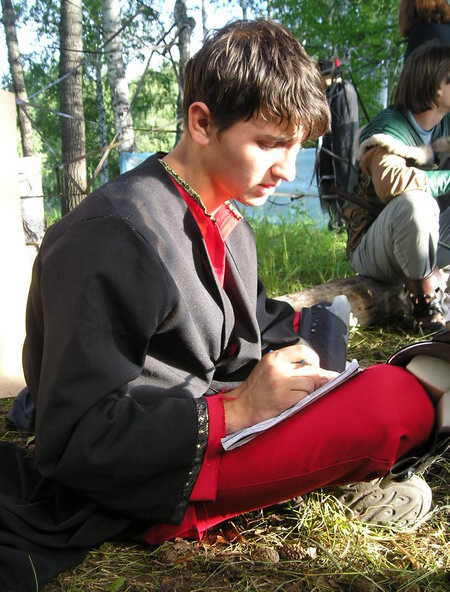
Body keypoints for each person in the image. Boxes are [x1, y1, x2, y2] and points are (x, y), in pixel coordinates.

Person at [0, 19, 438, 590]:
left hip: (217, 423)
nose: (287, 169)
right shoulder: (110, 238)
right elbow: (76, 439)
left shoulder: (227, 220)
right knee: (394, 403)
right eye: (269, 143)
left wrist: (310, 343)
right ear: (202, 123)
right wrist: (237, 411)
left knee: (397, 381)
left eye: (297, 146)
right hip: (155, 471)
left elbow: (250, 323)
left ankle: (352, 457)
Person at [344, 41, 450, 331]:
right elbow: (390, 183)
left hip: (422, 242)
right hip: (374, 244)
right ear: (438, 87)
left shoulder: (444, 125)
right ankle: (426, 304)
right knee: (416, 203)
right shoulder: (390, 127)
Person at [316, 58, 359, 231]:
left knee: (342, 186)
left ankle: (342, 220)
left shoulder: (343, 91)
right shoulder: (333, 92)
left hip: (343, 154)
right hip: (332, 152)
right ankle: (336, 219)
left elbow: (344, 134)